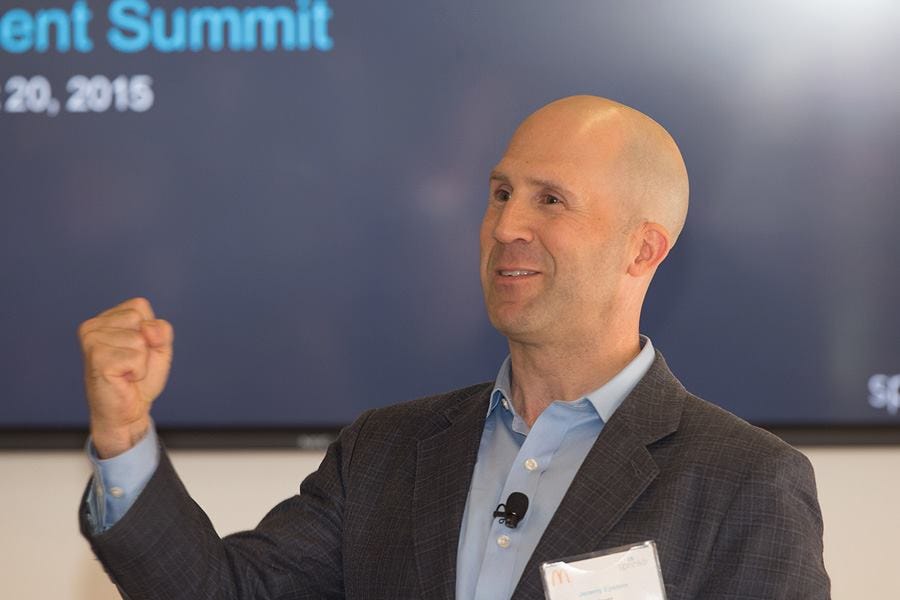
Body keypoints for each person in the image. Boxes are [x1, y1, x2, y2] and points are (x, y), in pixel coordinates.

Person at [78, 96, 831, 599]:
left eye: (550, 200)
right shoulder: (384, 451)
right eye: (501, 193)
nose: (505, 227)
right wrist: (124, 434)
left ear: (643, 250)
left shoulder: (743, 483)